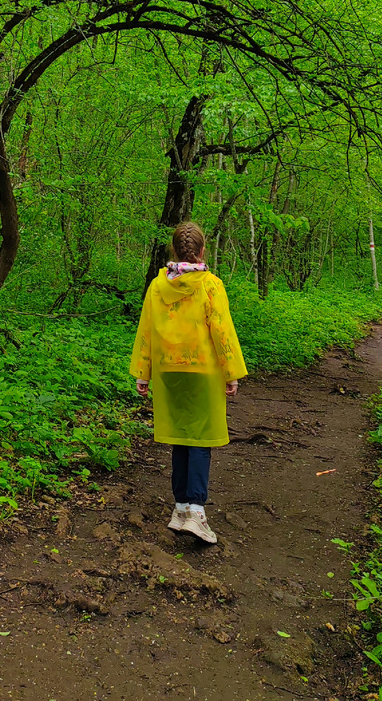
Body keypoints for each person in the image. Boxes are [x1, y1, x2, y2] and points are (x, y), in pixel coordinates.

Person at [130, 220, 247, 544]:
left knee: (181, 437)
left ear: (174, 249)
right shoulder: (210, 285)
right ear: (202, 250)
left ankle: (180, 507)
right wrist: (231, 372)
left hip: (168, 372)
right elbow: (222, 330)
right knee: (199, 439)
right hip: (202, 371)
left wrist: (143, 371)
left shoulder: (157, 286)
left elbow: (146, 328)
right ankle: (196, 511)